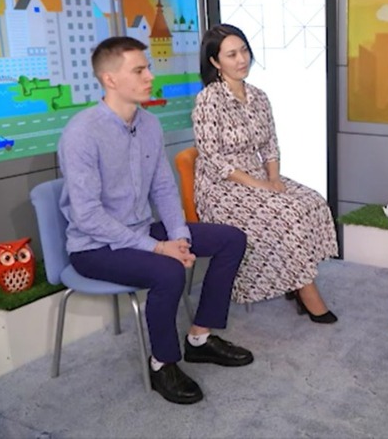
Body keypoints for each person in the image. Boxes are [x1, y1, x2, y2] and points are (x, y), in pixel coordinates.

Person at [59, 36, 253, 406]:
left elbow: (163, 187)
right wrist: (159, 248)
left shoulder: (148, 124)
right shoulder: (81, 133)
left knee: (231, 239)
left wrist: (178, 236)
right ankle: (162, 363)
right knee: (168, 271)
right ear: (110, 79)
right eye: (139, 70)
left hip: (141, 230)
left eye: (147, 67)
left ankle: (199, 338)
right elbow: (87, 216)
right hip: (94, 247)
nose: (150, 76)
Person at [192, 24, 339, 323]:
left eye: (244, 51)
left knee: (312, 202)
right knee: (286, 212)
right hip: (221, 187)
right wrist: (260, 185)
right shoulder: (208, 100)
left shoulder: (259, 96)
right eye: (231, 54)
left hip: (258, 176)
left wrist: (273, 179)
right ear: (215, 62)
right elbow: (213, 159)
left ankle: (295, 276)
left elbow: (270, 145)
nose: (241, 59)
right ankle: (306, 290)